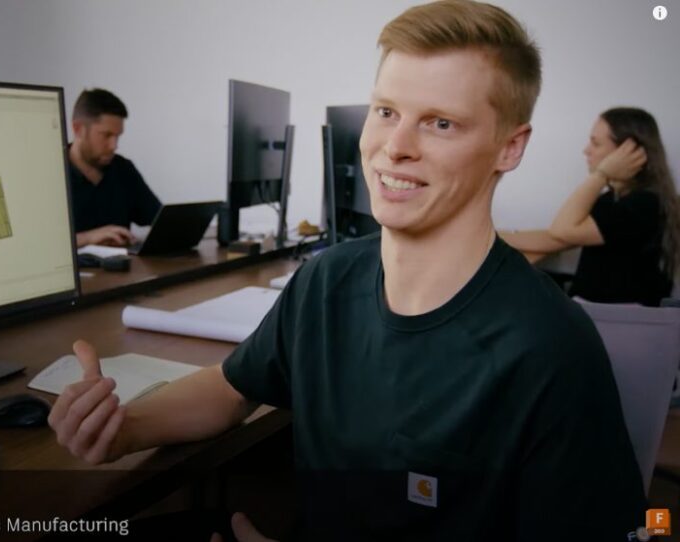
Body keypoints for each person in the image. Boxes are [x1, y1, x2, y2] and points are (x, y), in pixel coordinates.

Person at [49, 1, 646, 540]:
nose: (394, 146)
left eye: (440, 122)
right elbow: (230, 389)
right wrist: (123, 428)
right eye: (386, 111)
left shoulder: (550, 349)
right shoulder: (326, 280)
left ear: (510, 148)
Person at [503, 107, 679, 306]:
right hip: (592, 307)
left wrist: (601, 174)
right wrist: (493, 237)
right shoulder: (613, 199)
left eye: (595, 143)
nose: (586, 150)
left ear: (626, 152)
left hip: (611, 316)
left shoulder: (643, 204)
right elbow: (556, 239)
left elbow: (562, 230)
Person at [68, 88, 162, 248]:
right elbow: (36, 242)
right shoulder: (49, 172)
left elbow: (158, 219)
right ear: (78, 129)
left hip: (123, 264)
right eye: (106, 135)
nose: (114, 146)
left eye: (117, 136)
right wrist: (88, 238)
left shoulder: (123, 169)